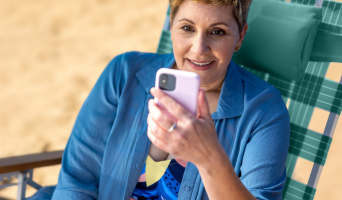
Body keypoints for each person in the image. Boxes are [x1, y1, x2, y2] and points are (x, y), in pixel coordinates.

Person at [47, 0, 290, 200]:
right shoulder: (124, 73)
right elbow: (77, 182)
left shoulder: (263, 109)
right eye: (187, 28)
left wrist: (210, 159)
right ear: (171, 25)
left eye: (218, 32)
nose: (198, 48)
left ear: (240, 37)